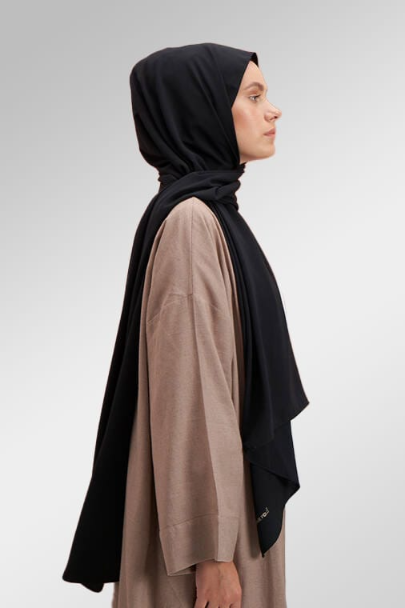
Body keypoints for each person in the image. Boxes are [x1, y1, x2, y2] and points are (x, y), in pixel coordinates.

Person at [62, 43, 310, 608]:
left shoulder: (212, 216)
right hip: (207, 542)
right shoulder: (192, 224)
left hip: (223, 511)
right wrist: (212, 553)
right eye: (253, 96)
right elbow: (194, 395)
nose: (273, 110)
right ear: (202, 111)